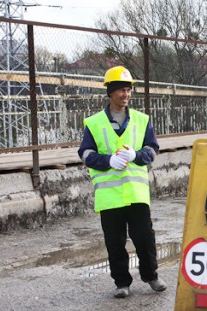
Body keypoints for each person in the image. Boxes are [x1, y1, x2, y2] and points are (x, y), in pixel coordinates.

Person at [78, 65, 166, 298]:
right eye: (121, 90)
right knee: (115, 242)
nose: (126, 95)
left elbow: (152, 148)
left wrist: (136, 156)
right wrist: (108, 160)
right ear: (110, 92)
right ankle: (121, 283)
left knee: (144, 237)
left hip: (136, 194)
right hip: (110, 197)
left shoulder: (141, 120)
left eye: (128, 90)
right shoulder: (94, 123)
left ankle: (152, 276)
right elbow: (85, 154)